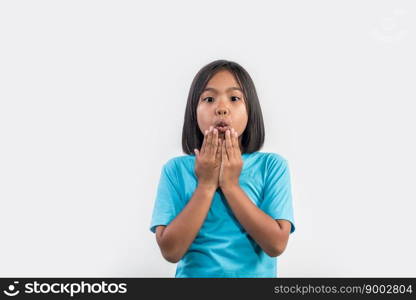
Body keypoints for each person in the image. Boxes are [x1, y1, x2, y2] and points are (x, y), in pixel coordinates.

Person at [149, 59, 296, 277]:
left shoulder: (272, 166)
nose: (221, 109)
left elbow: (276, 245)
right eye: (208, 99)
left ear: (250, 110)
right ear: (193, 111)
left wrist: (230, 184)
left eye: (234, 98)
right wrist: (206, 184)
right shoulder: (176, 170)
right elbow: (171, 251)